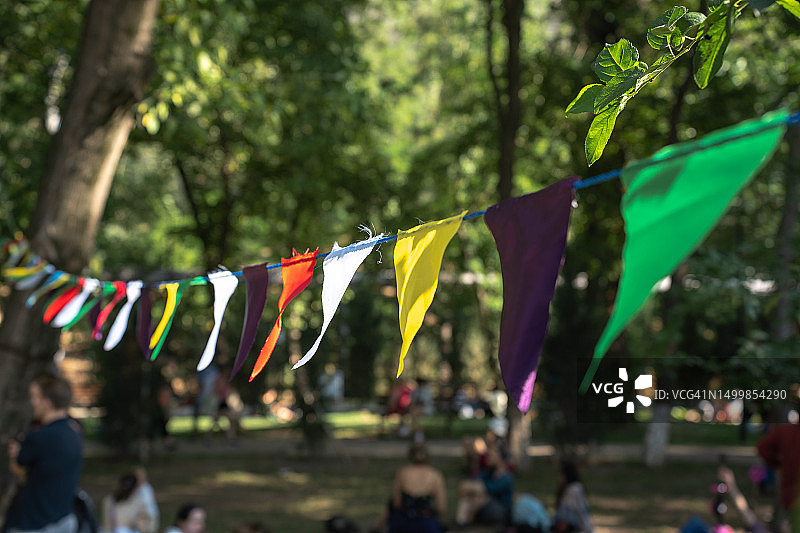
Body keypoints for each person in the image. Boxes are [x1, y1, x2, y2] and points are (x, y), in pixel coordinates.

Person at [5, 372, 83, 533]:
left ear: (47, 403)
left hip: (33, 523)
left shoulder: (38, 437)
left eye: (35, 397)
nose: (32, 402)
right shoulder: (75, 431)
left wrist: (16, 454)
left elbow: (19, 470)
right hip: (63, 517)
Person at [370, 442, 446, 533]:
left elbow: (396, 503)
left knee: (390, 505)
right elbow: (441, 508)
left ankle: (375, 528)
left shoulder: (402, 473)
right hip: (426, 523)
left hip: (403, 522)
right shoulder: (436, 476)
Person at [756, 412, 800, 533]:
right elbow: (763, 448)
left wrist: (777, 463)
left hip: (791, 498)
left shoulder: (786, 431)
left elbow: (762, 448)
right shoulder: (787, 431)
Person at [455, 442, 514, 528]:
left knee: (479, 496)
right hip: (484, 510)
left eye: (491, 455)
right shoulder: (487, 473)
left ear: (500, 458)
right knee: (471, 494)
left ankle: (465, 522)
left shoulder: (506, 477)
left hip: (501, 513)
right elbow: (464, 486)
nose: (488, 457)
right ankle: (460, 521)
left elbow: (484, 488)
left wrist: (473, 487)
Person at [551, 460, 594, 533]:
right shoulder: (576, 488)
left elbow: (566, 515)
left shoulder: (573, 490)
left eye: (561, 474)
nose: (559, 477)